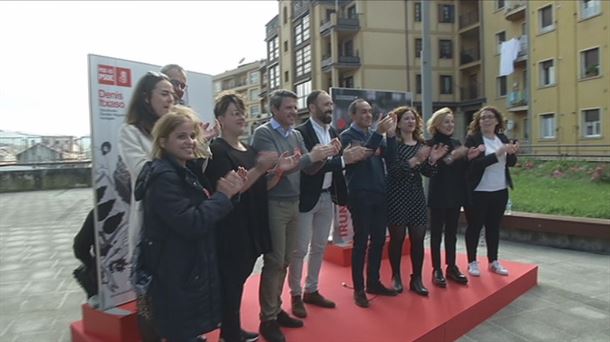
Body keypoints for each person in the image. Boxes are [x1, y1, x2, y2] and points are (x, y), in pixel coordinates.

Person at [135, 106, 245, 342]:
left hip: (187, 269)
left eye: (192, 136)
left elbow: (204, 209)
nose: (190, 142)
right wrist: (223, 195)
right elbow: (192, 222)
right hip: (175, 272)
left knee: (187, 330)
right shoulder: (164, 177)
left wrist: (230, 192)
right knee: (179, 330)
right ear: (163, 142)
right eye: (181, 136)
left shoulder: (184, 169)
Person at [251, 89, 337, 342]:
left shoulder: (296, 134)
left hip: (294, 202)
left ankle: (276, 311)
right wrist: (313, 156)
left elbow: (307, 169)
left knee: (286, 260)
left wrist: (325, 156)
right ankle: (267, 319)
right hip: (274, 204)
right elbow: (277, 168)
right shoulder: (263, 133)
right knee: (275, 261)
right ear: (275, 110)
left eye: (294, 107)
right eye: (288, 107)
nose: (293, 111)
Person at [288, 90, 370, 318]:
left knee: (320, 248)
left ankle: (311, 290)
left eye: (331, 104)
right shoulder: (300, 133)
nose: (330, 108)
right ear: (312, 107)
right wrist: (344, 159)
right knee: (299, 249)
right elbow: (309, 167)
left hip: (327, 197)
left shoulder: (333, 132)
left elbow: (333, 164)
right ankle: (295, 294)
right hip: (306, 198)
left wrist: (343, 158)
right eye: (325, 105)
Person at [205, 93, 279, 342]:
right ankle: (229, 332)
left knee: (240, 277)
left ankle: (231, 329)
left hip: (253, 222)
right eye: (234, 112)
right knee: (231, 280)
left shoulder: (249, 148)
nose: (241, 117)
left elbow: (259, 185)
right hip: (232, 226)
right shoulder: (217, 149)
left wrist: (278, 172)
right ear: (220, 119)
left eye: (242, 112)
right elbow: (231, 189)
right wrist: (260, 168)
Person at [119, 71, 174, 342]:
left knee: (175, 300)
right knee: (148, 304)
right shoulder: (131, 132)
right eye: (164, 93)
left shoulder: (174, 130)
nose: (170, 99)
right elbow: (144, 173)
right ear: (145, 96)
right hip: (149, 233)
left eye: (172, 94)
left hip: (177, 227)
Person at [339, 99, 398, 308]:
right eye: (363, 112)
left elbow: (390, 159)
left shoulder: (375, 134)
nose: (368, 115)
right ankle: (359, 290)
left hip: (379, 192)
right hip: (360, 194)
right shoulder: (347, 136)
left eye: (370, 112)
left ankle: (373, 282)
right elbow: (362, 155)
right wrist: (378, 134)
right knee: (361, 242)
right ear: (352, 115)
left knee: (379, 240)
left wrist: (390, 135)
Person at [386, 106, 447, 297]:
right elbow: (394, 171)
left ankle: (417, 278)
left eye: (413, 118)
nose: (410, 122)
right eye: (406, 119)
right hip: (396, 195)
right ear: (398, 123)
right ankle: (396, 276)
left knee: (418, 238)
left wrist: (431, 161)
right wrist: (416, 160)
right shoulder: (393, 144)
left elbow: (427, 173)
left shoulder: (422, 144)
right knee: (397, 238)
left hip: (416, 196)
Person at [426, 107, 479, 287]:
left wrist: (469, 159)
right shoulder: (430, 143)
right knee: (436, 234)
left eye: (452, 122)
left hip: (455, 195)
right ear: (437, 124)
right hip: (439, 194)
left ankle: (451, 266)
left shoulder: (457, 142)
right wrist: (447, 158)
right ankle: (436, 269)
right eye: (446, 122)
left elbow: (463, 171)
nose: (450, 125)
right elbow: (429, 170)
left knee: (452, 234)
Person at [464, 106, 519, 277]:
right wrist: (498, 154)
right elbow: (473, 166)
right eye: (482, 118)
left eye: (489, 117)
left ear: (497, 121)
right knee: (475, 226)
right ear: (478, 122)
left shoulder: (501, 138)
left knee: (493, 227)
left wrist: (512, 153)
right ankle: (472, 261)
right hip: (479, 191)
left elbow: (509, 163)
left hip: (499, 190)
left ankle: (493, 261)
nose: (486, 120)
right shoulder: (473, 139)